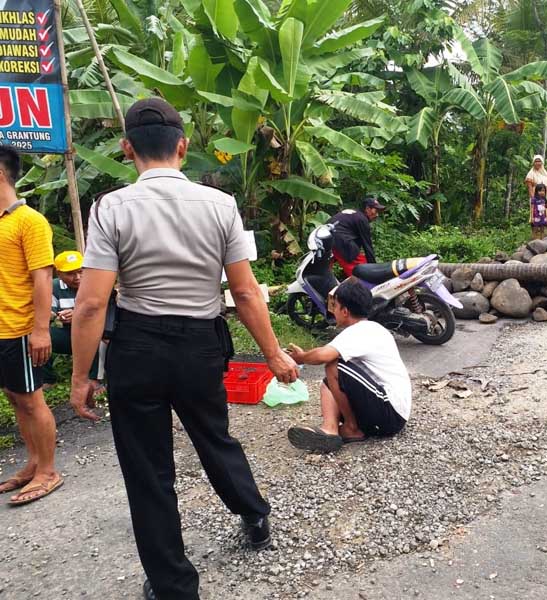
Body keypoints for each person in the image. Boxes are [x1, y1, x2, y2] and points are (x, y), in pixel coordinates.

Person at [69, 98, 300, 600]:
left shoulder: (110, 208)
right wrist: (274, 354)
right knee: (214, 437)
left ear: (127, 149)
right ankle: (255, 516)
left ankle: (174, 585)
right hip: (200, 345)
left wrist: (81, 376)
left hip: (138, 347)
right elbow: (243, 292)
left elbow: (90, 306)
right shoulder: (220, 206)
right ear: (184, 145)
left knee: (147, 468)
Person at [0, 145, 61, 506]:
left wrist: (41, 330)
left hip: (20, 329)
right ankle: (34, 462)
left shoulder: (29, 221)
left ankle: (49, 471)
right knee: (15, 398)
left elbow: (43, 277)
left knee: (31, 400)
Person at [286, 279, 411, 453]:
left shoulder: (362, 330)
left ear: (345, 311)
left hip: (391, 413)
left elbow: (323, 355)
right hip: (386, 412)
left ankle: (352, 429)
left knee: (333, 366)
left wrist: (300, 358)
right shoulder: (367, 329)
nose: (333, 311)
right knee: (328, 383)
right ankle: (330, 429)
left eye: (335, 306)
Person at [42, 251, 102, 390]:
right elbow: (46, 313)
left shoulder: (96, 284)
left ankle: (93, 379)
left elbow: (102, 311)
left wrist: (77, 315)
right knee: (37, 336)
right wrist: (57, 316)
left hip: (94, 331)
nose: (77, 277)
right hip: (67, 334)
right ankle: (47, 379)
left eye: (80, 272)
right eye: (70, 273)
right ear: (59, 273)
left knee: (97, 336)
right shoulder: (53, 287)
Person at [327, 197, 385, 277]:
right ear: (367, 209)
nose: (377, 214)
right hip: (339, 239)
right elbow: (367, 246)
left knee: (326, 268)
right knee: (362, 271)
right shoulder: (362, 220)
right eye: (375, 210)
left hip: (326, 238)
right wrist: (374, 269)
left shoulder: (355, 215)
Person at [525, 154, 547, 238]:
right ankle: (535, 236)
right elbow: (530, 188)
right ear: (533, 162)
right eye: (536, 161)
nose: (538, 163)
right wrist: (534, 199)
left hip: (545, 197)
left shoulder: (544, 173)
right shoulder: (531, 174)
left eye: (539, 161)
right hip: (536, 198)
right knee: (535, 216)